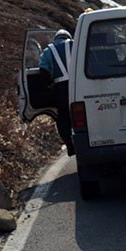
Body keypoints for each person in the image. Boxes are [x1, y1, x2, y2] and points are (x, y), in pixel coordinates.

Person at [39, 28, 75, 156]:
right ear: (68, 36)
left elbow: (43, 70)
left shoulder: (49, 50)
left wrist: (47, 85)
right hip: (79, 84)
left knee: (63, 115)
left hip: (61, 87)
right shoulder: (75, 44)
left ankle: (69, 145)